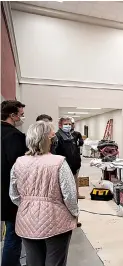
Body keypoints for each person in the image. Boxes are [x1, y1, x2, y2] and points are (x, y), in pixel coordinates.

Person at [10, 121, 79, 266]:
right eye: (52, 135)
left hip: (26, 219)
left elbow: (14, 195)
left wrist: (29, 204)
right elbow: (70, 195)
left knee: (33, 261)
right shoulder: (59, 162)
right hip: (56, 220)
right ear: (47, 139)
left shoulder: (19, 162)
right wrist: (74, 213)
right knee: (55, 261)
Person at [1, 100, 27, 266]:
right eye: (21, 114)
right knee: (13, 232)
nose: (21, 117)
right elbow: (19, 165)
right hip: (10, 190)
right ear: (12, 115)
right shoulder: (14, 136)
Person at [56, 117, 85, 203]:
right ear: (60, 125)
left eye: (69, 124)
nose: (68, 126)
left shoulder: (72, 136)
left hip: (74, 166)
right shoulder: (57, 137)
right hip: (64, 168)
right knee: (66, 191)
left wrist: (77, 164)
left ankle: (76, 196)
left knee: (73, 186)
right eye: (66, 124)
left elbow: (75, 150)